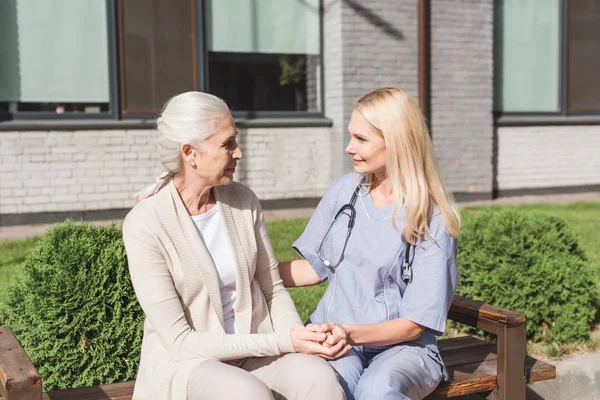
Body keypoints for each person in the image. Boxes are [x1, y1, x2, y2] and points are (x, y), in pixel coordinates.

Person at [122, 91, 348, 400]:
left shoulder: (243, 201)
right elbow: (180, 342)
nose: (238, 153)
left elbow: (272, 290)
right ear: (190, 152)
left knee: (318, 377)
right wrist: (284, 342)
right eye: (227, 144)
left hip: (254, 351)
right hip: (188, 364)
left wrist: (299, 342)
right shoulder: (145, 223)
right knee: (246, 393)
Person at [279, 87, 461, 400]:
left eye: (361, 139)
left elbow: (415, 324)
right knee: (328, 386)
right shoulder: (345, 191)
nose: (349, 148)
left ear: (398, 142)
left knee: (376, 390)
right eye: (351, 136)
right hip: (336, 338)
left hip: (403, 348)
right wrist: (245, 274)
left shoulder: (430, 216)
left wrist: (351, 332)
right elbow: (314, 268)